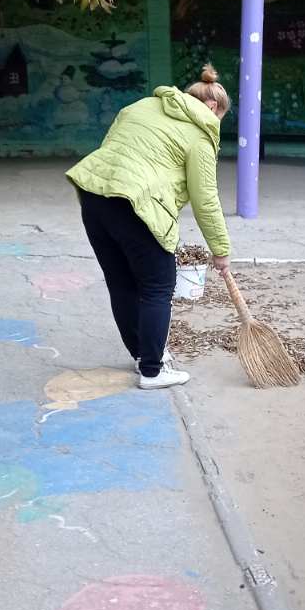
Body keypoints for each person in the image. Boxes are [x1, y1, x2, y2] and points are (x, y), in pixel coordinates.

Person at [67, 65, 232, 389]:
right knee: (158, 286)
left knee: (121, 283)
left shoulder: (140, 106)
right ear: (212, 107)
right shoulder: (200, 136)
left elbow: (113, 152)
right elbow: (205, 199)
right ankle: (153, 371)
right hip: (137, 205)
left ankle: (142, 356)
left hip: (94, 195)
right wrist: (221, 250)